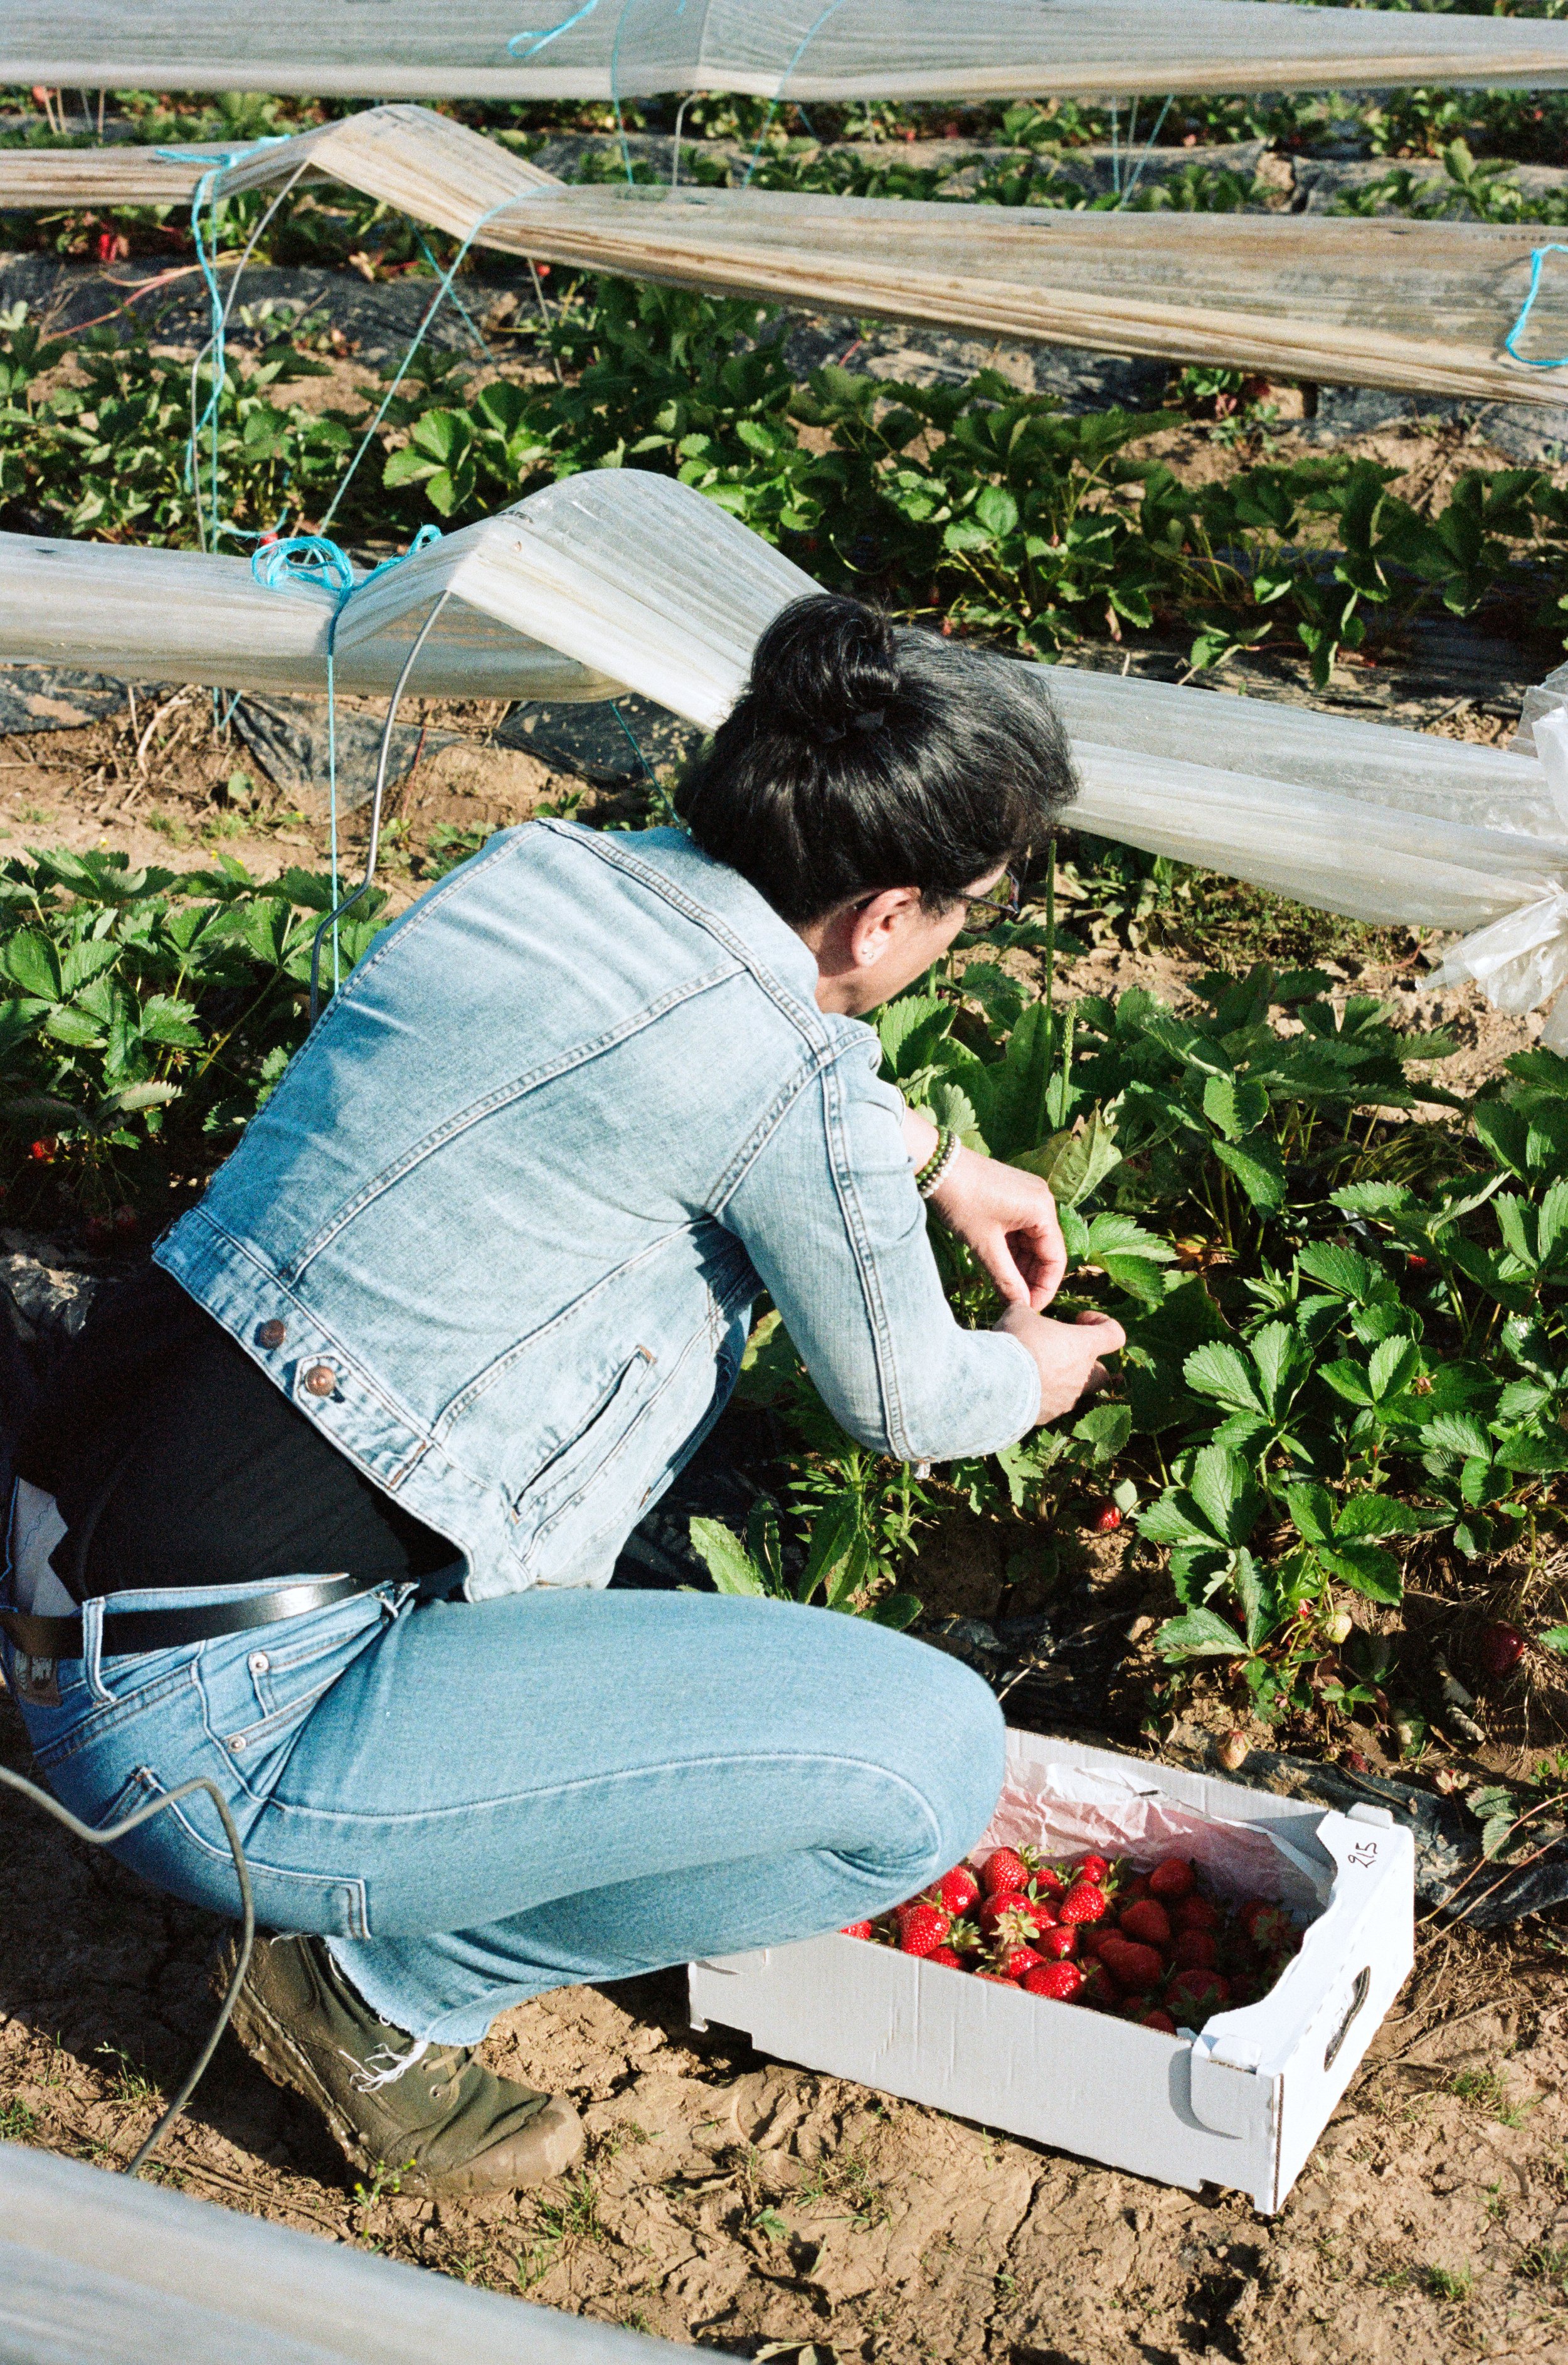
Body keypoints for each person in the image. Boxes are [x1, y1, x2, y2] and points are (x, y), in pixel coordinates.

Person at [1, 595, 1123, 2198]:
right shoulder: (783, 1080)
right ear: (884, 919)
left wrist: (937, 1159)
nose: (952, 939)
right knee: (922, 1767)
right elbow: (908, 1396)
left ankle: (340, 1886)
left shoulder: (537, 875)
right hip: (215, 1749)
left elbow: (719, 1052)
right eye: (963, 912)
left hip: (68, 1584)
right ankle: (371, 1989)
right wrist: (1033, 1365)